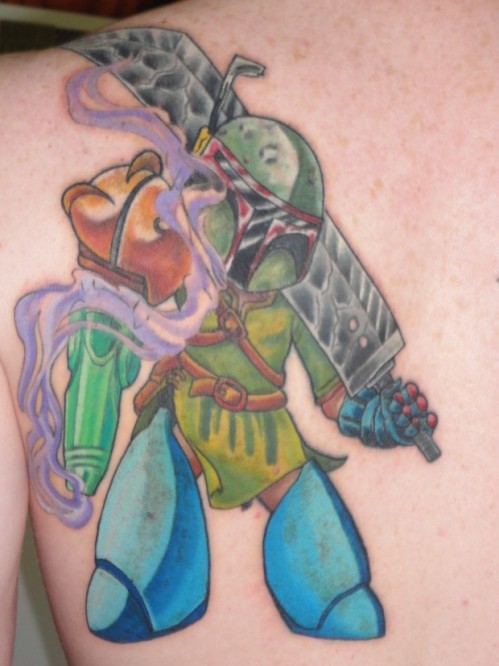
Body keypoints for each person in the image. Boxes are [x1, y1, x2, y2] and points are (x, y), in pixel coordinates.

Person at [0, 1, 497, 664]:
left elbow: (334, 398)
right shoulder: (180, 256)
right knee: (139, 577)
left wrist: (379, 418)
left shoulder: (12, 137)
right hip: (181, 413)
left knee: (333, 593)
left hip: (267, 435)